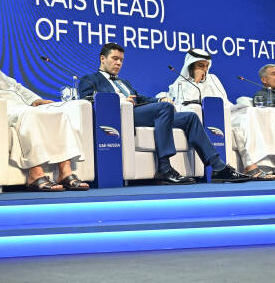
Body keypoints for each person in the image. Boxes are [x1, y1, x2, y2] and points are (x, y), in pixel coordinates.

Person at [78, 43, 251, 184]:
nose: (119, 63)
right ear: (102, 58)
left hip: (139, 113)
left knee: (190, 117)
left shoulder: (125, 82)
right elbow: (89, 100)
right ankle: (165, 168)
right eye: (115, 59)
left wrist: (160, 99)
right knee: (165, 108)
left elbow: (141, 98)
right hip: (121, 117)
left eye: (121, 60)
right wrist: (120, 100)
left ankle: (218, 167)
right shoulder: (89, 79)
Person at [0, 33, 89, 191]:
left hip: (22, 106)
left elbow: (17, 87)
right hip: (2, 110)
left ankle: (65, 172)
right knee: (31, 115)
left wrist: (36, 100)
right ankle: (35, 174)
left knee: (59, 112)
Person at [166, 48, 275, 180]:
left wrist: (238, 107)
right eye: (200, 66)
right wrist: (195, 82)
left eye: (206, 66)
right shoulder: (181, 83)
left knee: (252, 114)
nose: (204, 69)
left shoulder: (213, 78)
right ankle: (251, 167)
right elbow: (185, 106)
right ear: (191, 65)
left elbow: (225, 101)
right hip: (207, 118)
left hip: (225, 113)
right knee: (240, 125)